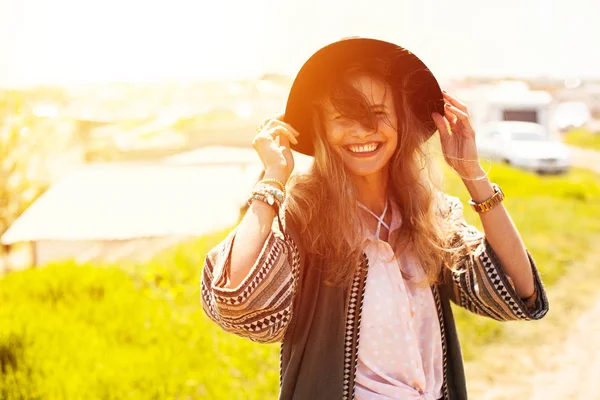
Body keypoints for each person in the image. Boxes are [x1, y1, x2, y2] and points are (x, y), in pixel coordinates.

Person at [201, 38, 549, 400]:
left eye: (378, 114)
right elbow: (237, 299)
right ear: (320, 127)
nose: (362, 131)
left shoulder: (431, 214)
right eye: (343, 117)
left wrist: (472, 174)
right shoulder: (303, 218)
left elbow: (517, 291)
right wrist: (273, 177)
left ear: (401, 121)